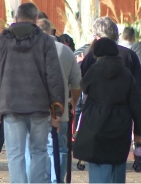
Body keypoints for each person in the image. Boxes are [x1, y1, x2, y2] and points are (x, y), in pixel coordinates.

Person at [0, 2, 65, 183]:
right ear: (36, 19)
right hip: (39, 106)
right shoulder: (46, 41)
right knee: (39, 151)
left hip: (10, 105)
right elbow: (54, 77)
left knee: (15, 154)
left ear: (16, 18)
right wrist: (57, 111)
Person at [73, 38, 141, 183]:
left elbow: (83, 86)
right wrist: (139, 131)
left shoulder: (94, 70)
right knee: (117, 166)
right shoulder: (126, 74)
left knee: (99, 166)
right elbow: (136, 104)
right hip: (121, 125)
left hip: (96, 124)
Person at [80, 17, 141, 129]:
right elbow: (139, 86)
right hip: (122, 113)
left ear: (98, 37)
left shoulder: (92, 56)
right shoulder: (129, 55)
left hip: (96, 113)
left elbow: (83, 84)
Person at [37, 18, 82, 182]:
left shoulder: (29, 50)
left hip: (34, 109)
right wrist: (73, 102)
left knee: (35, 148)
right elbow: (77, 84)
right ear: (51, 31)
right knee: (60, 147)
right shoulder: (66, 51)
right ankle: (57, 180)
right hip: (60, 108)